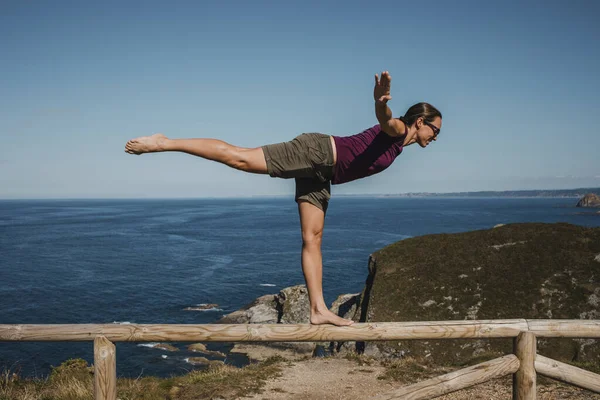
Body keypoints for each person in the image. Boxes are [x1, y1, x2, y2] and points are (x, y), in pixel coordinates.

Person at [124, 71, 442, 326]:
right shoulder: (399, 131)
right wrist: (380, 99)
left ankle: (318, 309)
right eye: (435, 130)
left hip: (322, 174)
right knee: (241, 158)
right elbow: (386, 118)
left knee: (312, 238)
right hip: (316, 153)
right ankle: (165, 143)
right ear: (419, 122)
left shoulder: (399, 147)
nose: (435, 137)